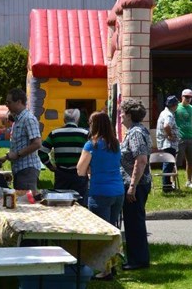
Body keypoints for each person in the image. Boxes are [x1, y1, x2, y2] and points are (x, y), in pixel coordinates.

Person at [76, 111, 123, 280]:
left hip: (100, 192)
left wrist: (90, 169)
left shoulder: (91, 145)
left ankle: (106, 270)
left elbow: (80, 170)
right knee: (112, 231)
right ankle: (112, 265)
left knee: (101, 233)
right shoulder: (115, 144)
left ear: (93, 125)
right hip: (118, 191)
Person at [119, 99, 152, 272]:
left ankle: (138, 260)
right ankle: (137, 258)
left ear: (130, 115)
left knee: (134, 223)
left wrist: (132, 186)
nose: (120, 116)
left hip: (136, 185)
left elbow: (141, 160)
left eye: (122, 113)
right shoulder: (135, 131)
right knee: (134, 222)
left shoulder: (136, 133)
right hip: (137, 183)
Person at [38, 109, 89, 205]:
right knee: (80, 204)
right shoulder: (84, 134)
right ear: (77, 119)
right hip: (80, 175)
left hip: (61, 173)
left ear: (64, 120)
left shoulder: (55, 133)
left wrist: (50, 166)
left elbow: (41, 151)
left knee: (60, 203)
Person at [0, 89, 42, 192]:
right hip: (20, 170)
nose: (7, 105)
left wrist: (17, 154)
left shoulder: (28, 119)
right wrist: (6, 157)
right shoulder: (17, 120)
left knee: (26, 204)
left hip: (27, 170)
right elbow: (21, 144)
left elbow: (37, 143)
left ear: (18, 102)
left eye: (9, 102)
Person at [156, 95, 180, 192]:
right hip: (168, 143)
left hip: (166, 143)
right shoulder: (169, 115)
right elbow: (166, 126)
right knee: (168, 164)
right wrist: (170, 135)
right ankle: (166, 186)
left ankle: (167, 184)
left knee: (168, 164)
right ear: (174, 105)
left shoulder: (164, 112)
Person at [175, 89, 192, 190]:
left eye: (190, 97)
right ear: (182, 97)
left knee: (191, 161)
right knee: (176, 162)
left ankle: (188, 181)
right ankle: (173, 182)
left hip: (190, 137)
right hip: (179, 138)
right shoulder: (176, 107)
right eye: (186, 97)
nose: (189, 99)